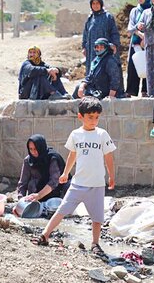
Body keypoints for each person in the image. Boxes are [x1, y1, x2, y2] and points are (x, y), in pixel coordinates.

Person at [32, 97, 116, 256]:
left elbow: (109, 157)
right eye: (90, 117)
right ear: (81, 117)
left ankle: (95, 243)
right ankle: (45, 235)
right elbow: (72, 155)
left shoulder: (102, 134)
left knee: (97, 217)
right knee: (62, 210)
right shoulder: (76, 135)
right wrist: (65, 173)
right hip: (78, 184)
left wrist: (111, 177)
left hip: (97, 184)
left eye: (97, 117)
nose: (94, 121)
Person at [17, 134, 70, 202]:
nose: (33, 152)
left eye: (36, 149)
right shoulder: (28, 160)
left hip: (54, 193)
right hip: (35, 194)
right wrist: (21, 200)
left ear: (41, 147)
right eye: (31, 149)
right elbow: (22, 182)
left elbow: (54, 182)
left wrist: (39, 195)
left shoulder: (52, 158)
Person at [82, 0, 120, 76]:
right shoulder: (90, 18)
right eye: (93, 3)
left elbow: (114, 32)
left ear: (101, 4)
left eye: (97, 3)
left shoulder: (108, 17)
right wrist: (84, 47)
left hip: (105, 50)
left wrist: (114, 44)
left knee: (106, 71)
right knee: (93, 70)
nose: (95, 5)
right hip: (92, 50)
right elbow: (85, 34)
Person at [126, 0, 151, 97]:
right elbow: (130, 28)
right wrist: (140, 34)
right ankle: (131, 90)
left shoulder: (152, 10)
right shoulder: (135, 11)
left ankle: (146, 90)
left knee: (147, 66)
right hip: (136, 42)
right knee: (133, 66)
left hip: (149, 41)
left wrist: (146, 37)